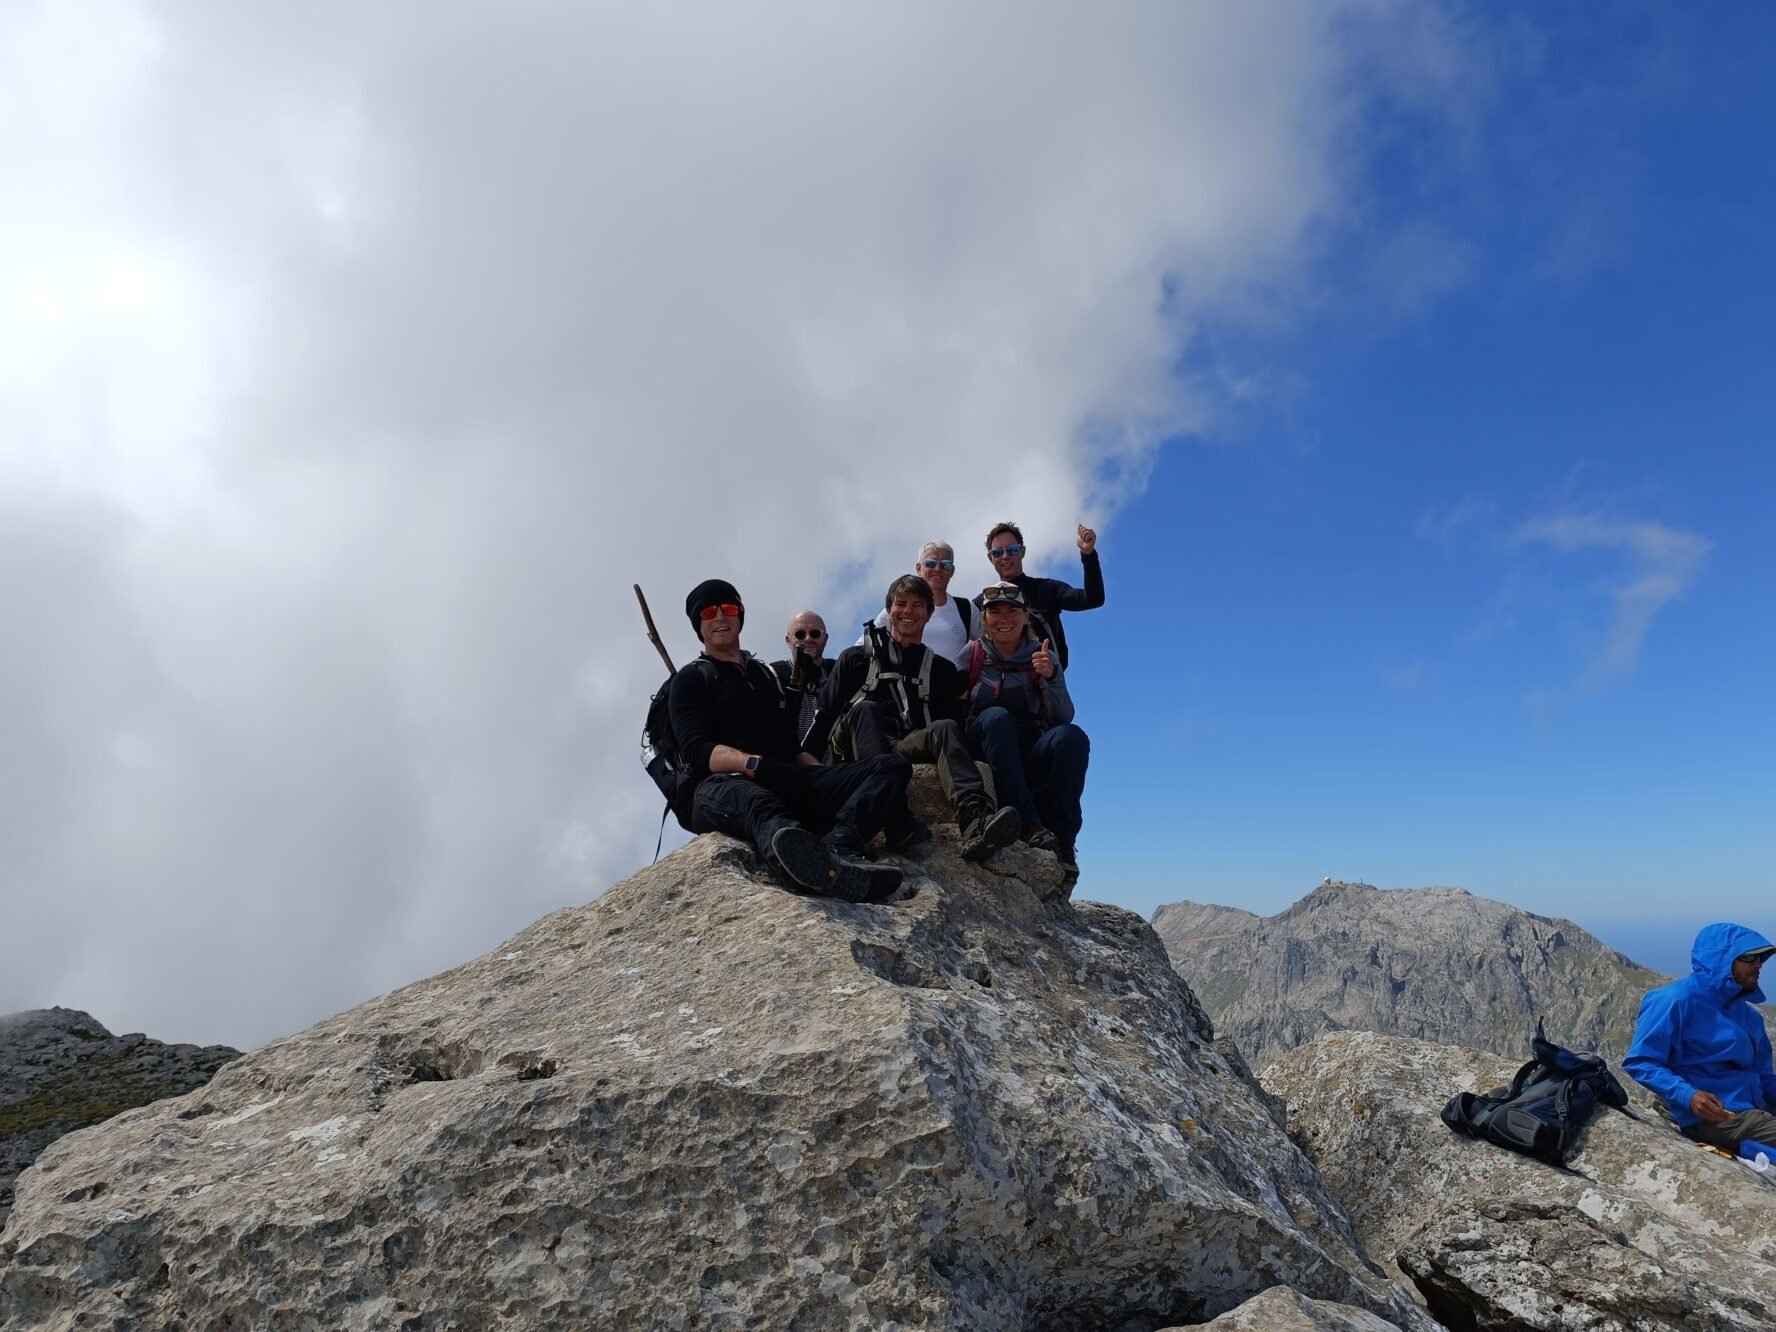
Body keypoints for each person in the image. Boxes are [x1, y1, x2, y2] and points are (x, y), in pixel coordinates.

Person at [668, 578, 910, 904]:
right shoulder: (690, 679)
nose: (721, 617)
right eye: (709, 612)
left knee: (890, 767)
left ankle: (841, 848)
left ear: (740, 615)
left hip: (781, 775)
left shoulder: (765, 675)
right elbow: (697, 751)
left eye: (729, 609)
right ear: (698, 625)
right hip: (720, 786)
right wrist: (753, 765)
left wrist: (826, 779)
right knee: (759, 804)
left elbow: (789, 745)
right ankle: (801, 869)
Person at [809, 576, 1020, 861]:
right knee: (866, 709)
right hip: (853, 748)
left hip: (901, 746)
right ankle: (896, 818)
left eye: (918, 605)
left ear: (930, 613)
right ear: (889, 610)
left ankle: (975, 820)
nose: (908, 611)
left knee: (946, 727)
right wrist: (807, 768)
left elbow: (947, 731)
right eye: (901, 603)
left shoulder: (941, 670)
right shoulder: (855, 659)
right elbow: (823, 718)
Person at [955, 581, 1089, 884]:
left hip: (1029, 748)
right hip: (984, 745)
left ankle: (1064, 842)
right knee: (997, 718)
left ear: (1026, 616)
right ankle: (1028, 823)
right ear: (985, 619)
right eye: (995, 612)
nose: (1004, 619)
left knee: (1073, 737)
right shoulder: (972, 654)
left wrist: (1051, 677)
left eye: (1012, 611)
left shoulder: (1042, 657)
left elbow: (1064, 716)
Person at [1624, 923, 1776, 1152]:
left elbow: (1763, 1075)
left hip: (1752, 1105)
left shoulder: (1749, 1017)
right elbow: (1640, 1061)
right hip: (1712, 1114)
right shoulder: (1674, 1001)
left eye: (1760, 958)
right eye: (1748, 958)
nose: (1758, 964)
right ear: (1720, 960)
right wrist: (1688, 1096)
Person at [977, 520, 1104, 670]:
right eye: (997, 553)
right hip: (999, 683)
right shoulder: (982, 603)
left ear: (1022, 551)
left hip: (1048, 681)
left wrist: (1088, 555)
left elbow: (1093, 599)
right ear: (990, 558)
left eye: (1012, 550)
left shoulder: (1045, 589)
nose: (1005, 556)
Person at [860, 542, 973, 660]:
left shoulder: (965, 609)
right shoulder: (898, 611)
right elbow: (863, 648)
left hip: (949, 672)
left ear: (952, 571)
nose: (937, 569)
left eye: (945, 564)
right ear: (918, 568)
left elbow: (986, 642)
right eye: (930, 563)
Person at [771, 610, 835, 745]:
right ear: (788, 640)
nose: (808, 639)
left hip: (834, 756)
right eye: (800, 634)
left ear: (825, 639)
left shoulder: (837, 672)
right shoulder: (772, 675)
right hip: (788, 754)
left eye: (815, 633)